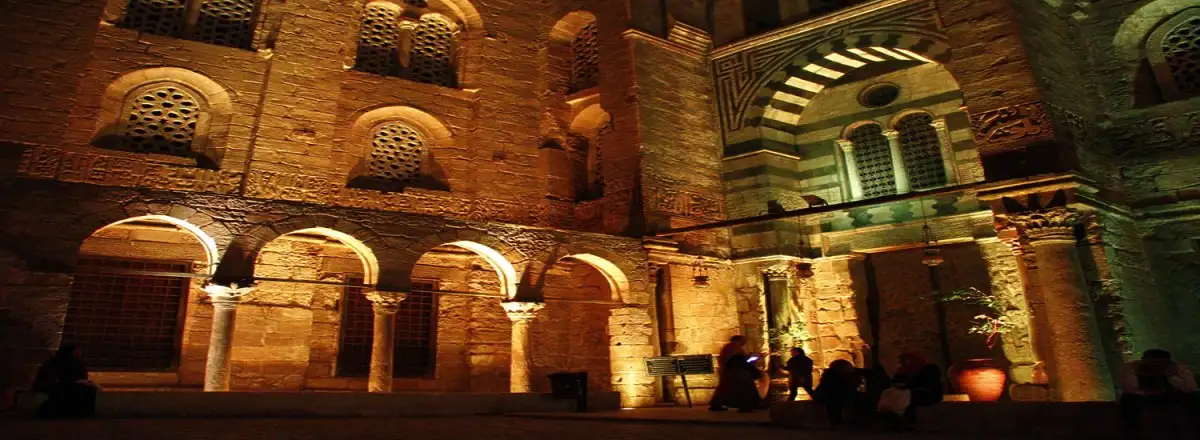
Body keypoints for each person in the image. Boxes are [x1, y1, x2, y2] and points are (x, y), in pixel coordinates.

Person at [1118, 349, 1199, 439]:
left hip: (1169, 396)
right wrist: (1146, 392)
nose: (1156, 366)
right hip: (1143, 397)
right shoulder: (1133, 367)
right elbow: (1130, 387)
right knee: (1127, 398)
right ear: (1144, 360)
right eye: (1153, 362)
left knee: (1193, 398)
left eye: (1160, 362)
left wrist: (1171, 376)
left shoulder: (1176, 368)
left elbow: (1191, 388)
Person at [33, 345, 98, 419]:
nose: (79, 356)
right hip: (60, 387)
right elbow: (53, 379)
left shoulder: (78, 365)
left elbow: (79, 377)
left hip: (69, 386)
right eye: (76, 354)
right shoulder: (57, 364)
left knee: (87, 389)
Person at [890, 351, 943, 430]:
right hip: (913, 391)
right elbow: (898, 381)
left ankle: (909, 422)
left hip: (928, 393)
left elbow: (927, 384)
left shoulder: (929, 369)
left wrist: (908, 386)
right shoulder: (907, 370)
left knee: (908, 397)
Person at [814, 359, 861, 429]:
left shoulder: (830, 376)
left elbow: (823, 388)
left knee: (834, 408)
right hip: (838, 397)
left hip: (835, 397)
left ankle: (836, 423)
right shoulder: (848, 377)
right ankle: (838, 423)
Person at [709, 335, 748, 411]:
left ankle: (717, 405)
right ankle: (743, 405)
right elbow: (730, 359)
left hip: (732, 370)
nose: (745, 342)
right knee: (726, 388)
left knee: (724, 388)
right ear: (737, 340)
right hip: (732, 371)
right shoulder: (732, 347)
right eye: (743, 340)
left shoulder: (732, 347)